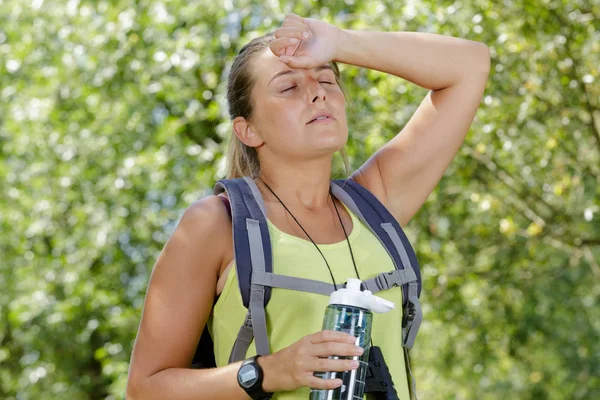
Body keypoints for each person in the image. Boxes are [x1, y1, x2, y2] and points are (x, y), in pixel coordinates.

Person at [126, 12, 490, 400]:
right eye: (288, 87)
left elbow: (470, 64)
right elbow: (144, 389)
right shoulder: (218, 223)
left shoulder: (374, 205)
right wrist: (269, 371)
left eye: (326, 79)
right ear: (248, 130)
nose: (317, 93)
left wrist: (340, 43)